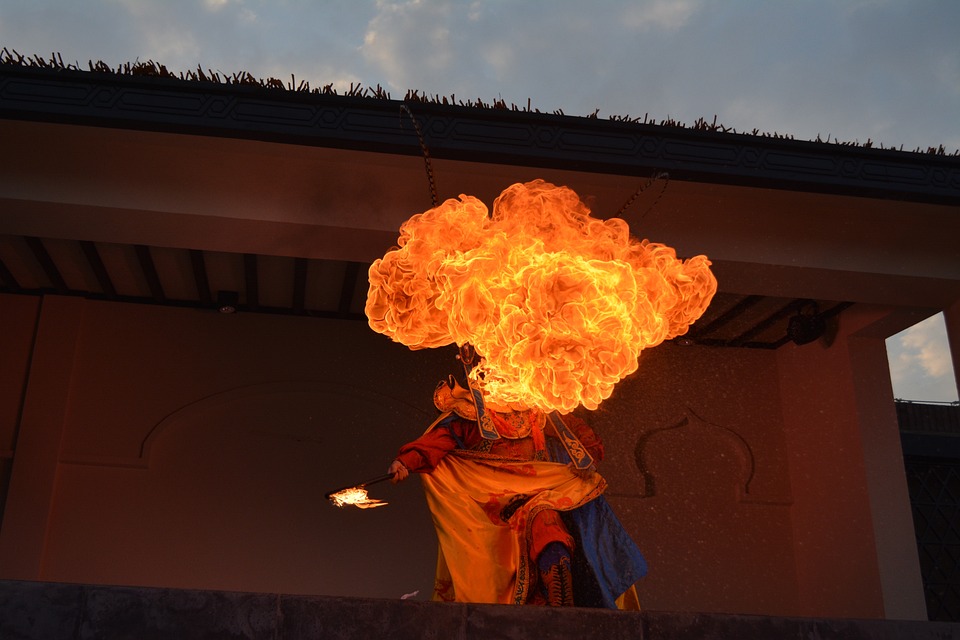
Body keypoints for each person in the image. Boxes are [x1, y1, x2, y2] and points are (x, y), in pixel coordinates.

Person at [389, 375, 647, 608]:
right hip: (492, 508)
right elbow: (436, 441)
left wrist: (587, 457)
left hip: (538, 494)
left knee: (546, 519)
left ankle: (562, 603)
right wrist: (405, 462)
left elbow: (579, 434)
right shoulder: (471, 412)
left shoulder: (536, 412)